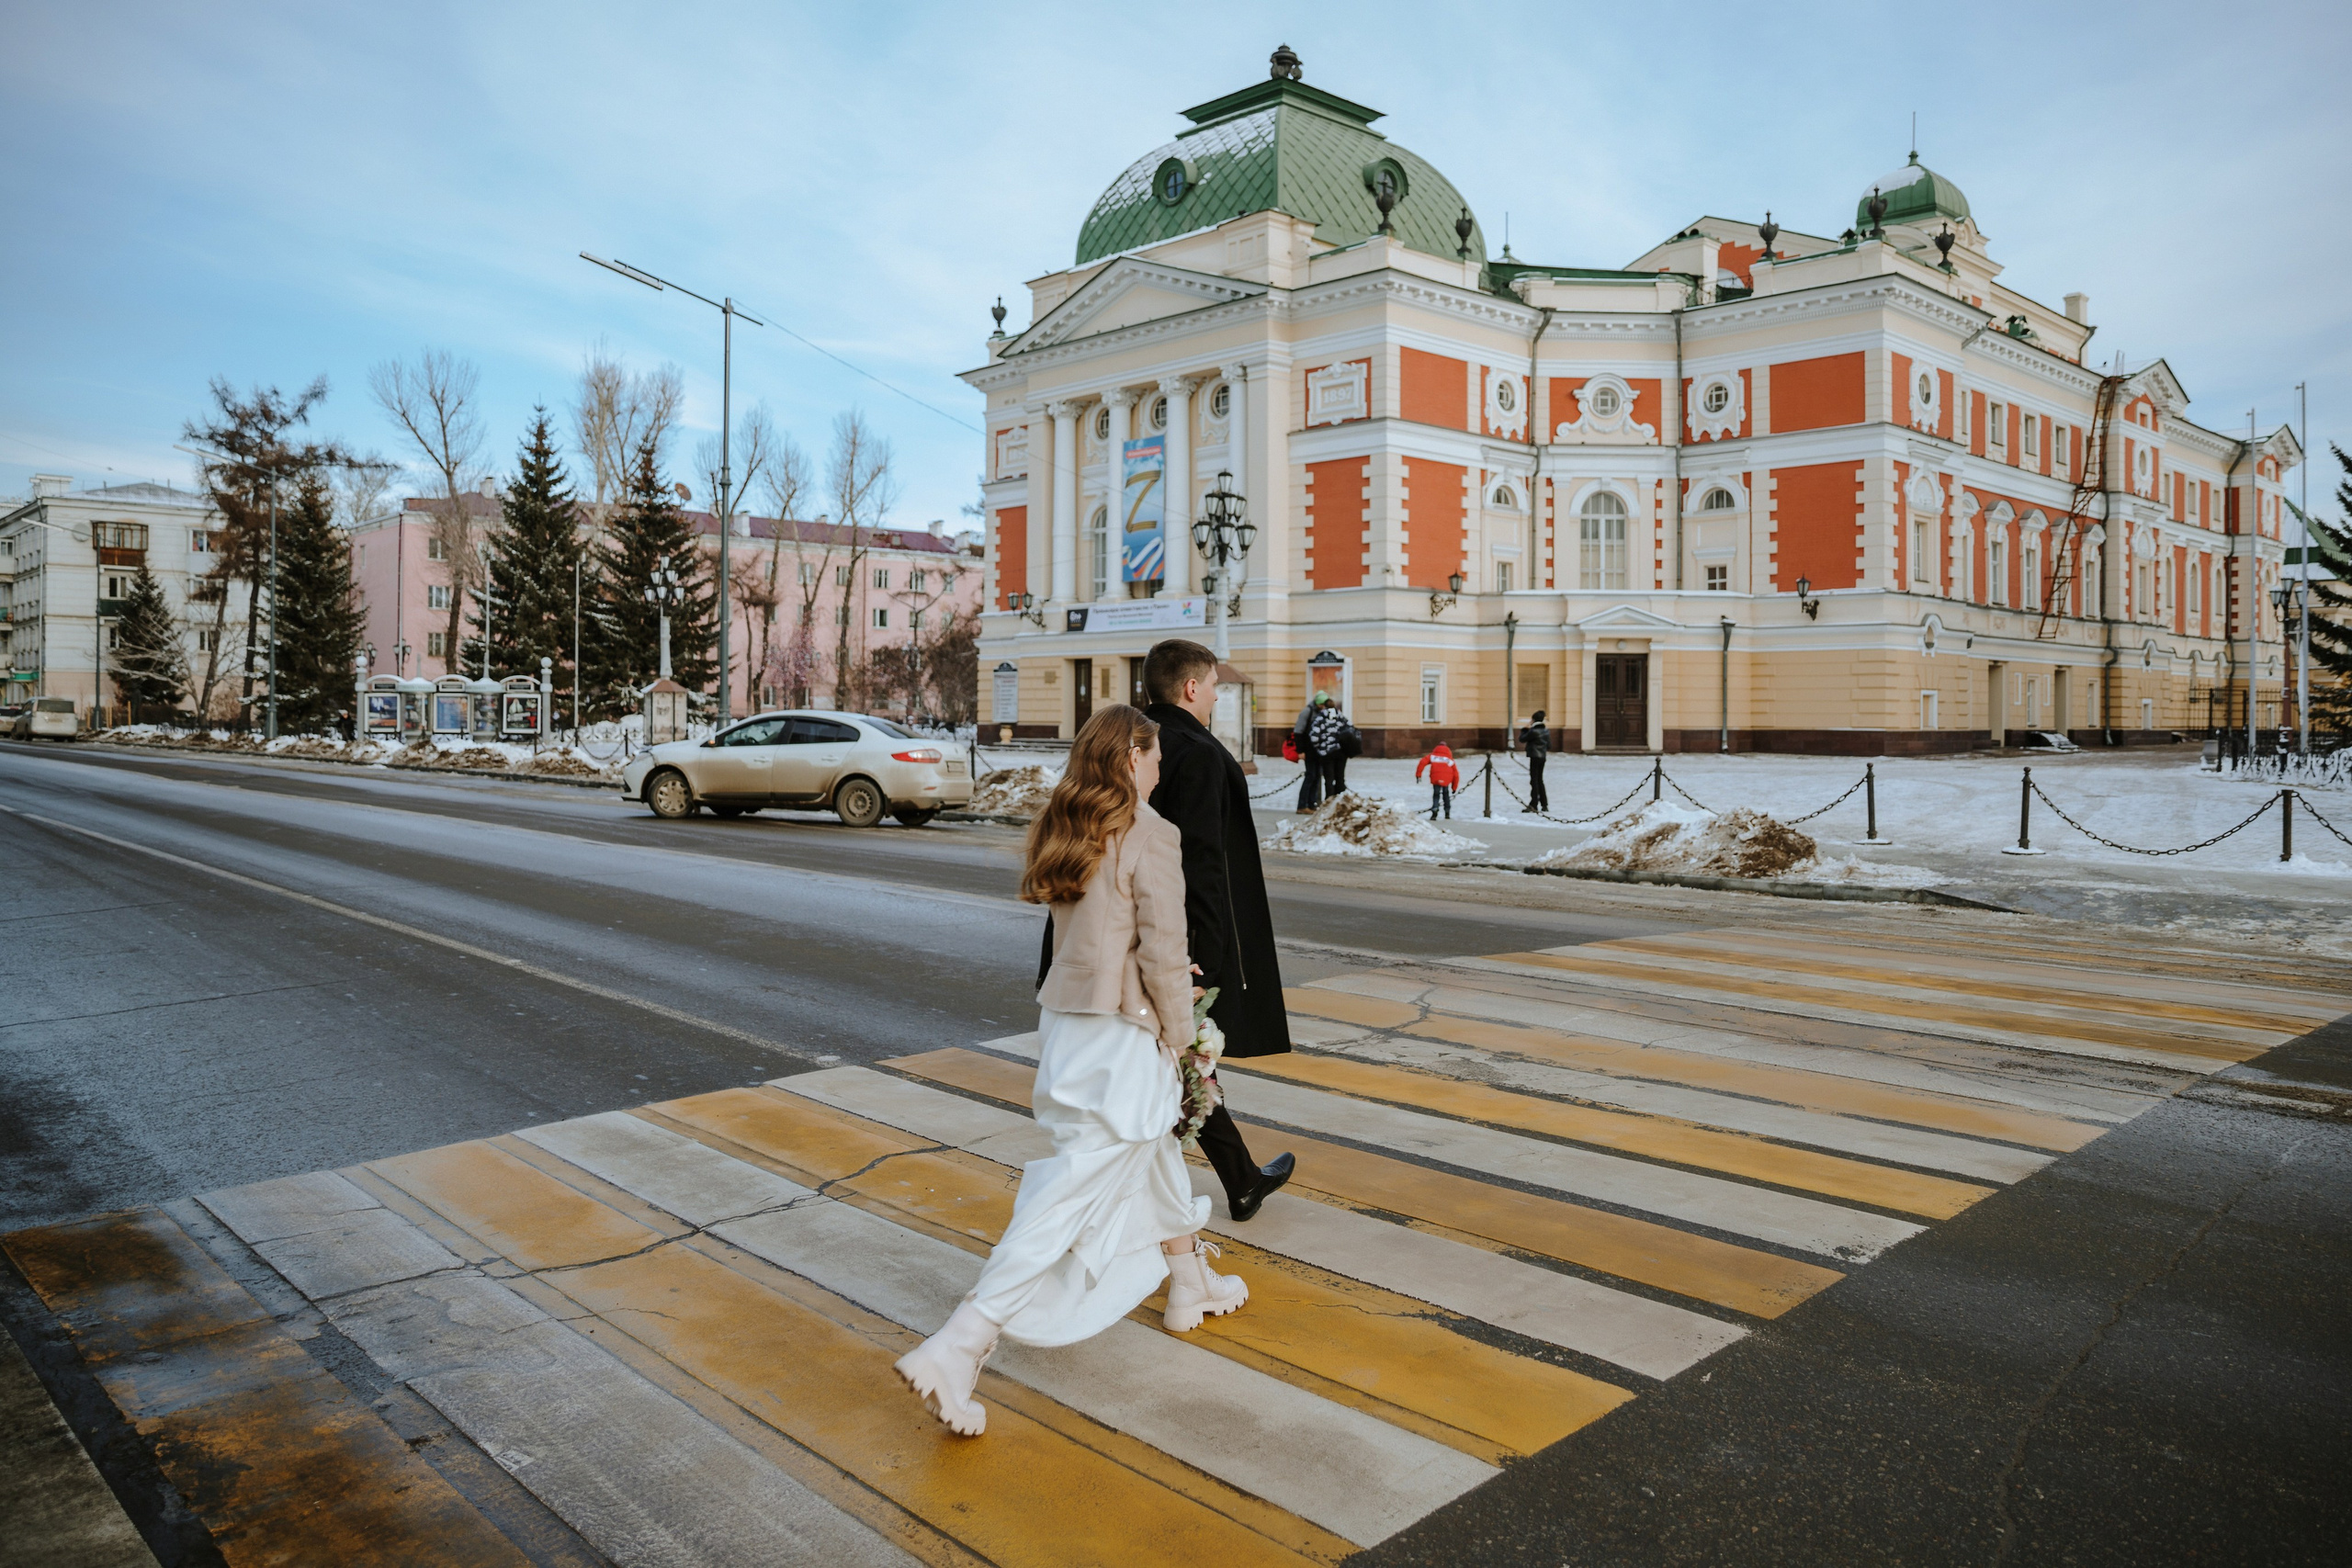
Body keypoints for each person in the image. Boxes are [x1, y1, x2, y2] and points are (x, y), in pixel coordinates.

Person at [896, 705, 1245, 1437]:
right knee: (1070, 1194)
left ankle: (1190, 1283)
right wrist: (1185, 1041)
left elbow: (1096, 933)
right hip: (1122, 1038)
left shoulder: (1069, 821)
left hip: (1069, 1028)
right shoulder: (1151, 833)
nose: (1158, 769)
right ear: (1130, 759)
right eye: (1152, 757)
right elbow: (1158, 948)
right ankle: (960, 1343)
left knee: (1148, 1155)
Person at [1140, 639, 1299, 1222]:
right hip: (1177, 935)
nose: (1213, 696)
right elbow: (1204, 860)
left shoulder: (1123, 736)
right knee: (1178, 1056)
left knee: (1173, 1059)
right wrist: (1208, 951)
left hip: (1124, 926)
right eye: (1210, 686)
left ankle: (1241, 1178)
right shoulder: (1196, 751)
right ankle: (1231, 1183)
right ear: (1189, 688)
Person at [1306, 695, 1351, 799]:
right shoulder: (1340, 716)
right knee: (1340, 778)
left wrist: (1320, 748)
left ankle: (1329, 801)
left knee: (1329, 779)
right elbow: (1350, 729)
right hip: (1341, 752)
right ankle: (1339, 800)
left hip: (1327, 753)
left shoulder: (1320, 718)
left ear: (1323, 706)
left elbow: (1314, 737)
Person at [1290, 692, 1329, 812]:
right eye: (1322, 704)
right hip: (1308, 750)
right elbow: (1298, 732)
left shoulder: (1321, 712)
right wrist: (1300, 750)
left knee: (1317, 776)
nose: (1323, 707)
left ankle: (1312, 804)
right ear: (1318, 703)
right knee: (1310, 776)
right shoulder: (1307, 712)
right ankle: (1302, 805)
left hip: (1318, 751)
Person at [1520, 709, 1551, 814]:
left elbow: (1522, 739)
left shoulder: (1533, 731)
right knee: (1540, 780)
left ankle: (1534, 804)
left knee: (1534, 781)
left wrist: (1525, 729)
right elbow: (1549, 746)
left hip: (1534, 757)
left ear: (1533, 719)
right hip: (1542, 757)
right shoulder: (1546, 731)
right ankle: (1544, 804)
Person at [1416, 741, 1459, 819]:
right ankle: (1447, 812)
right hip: (1446, 780)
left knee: (1436, 795)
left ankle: (1435, 809)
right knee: (1446, 795)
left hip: (1436, 779)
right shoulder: (1449, 759)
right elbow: (1456, 774)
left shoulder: (1433, 756)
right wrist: (1454, 787)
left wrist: (1418, 775)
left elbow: (1422, 762)